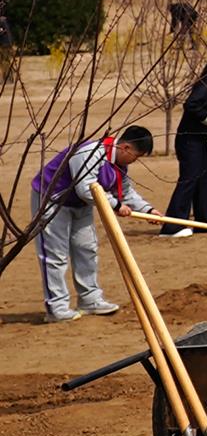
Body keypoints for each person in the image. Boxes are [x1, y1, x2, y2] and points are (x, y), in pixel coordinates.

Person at [32, 127, 155, 321]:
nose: (135, 161)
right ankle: (57, 308)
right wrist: (116, 206)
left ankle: (90, 299)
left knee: (86, 249)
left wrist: (148, 210)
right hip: (52, 199)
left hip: (81, 205)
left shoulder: (119, 164)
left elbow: (125, 192)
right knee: (55, 254)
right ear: (126, 147)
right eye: (136, 156)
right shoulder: (89, 153)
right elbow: (86, 189)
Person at [165, 57, 207, 236]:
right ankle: (172, 225)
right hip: (188, 141)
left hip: (199, 140)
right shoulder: (204, 87)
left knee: (203, 180)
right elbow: (191, 105)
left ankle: (203, 220)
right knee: (189, 179)